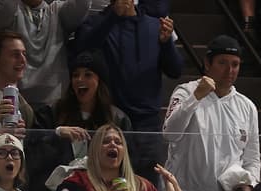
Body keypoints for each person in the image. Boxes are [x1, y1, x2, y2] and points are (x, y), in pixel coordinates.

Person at [163, 35, 260, 191]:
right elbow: (170, 133)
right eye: (223, 63)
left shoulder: (247, 106)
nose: (230, 70)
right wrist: (197, 96)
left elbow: (252, 158)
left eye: (235, 64)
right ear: (207, 63)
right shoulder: (185, 91)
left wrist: (249, 185)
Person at [75, 0, 182, 161]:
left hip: (148, 125)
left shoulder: (154, 25)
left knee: (147, 185)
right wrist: (113, 17)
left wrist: (166, 44)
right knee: (107, 183)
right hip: (110, 120)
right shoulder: (96, 22)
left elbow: (175, 71)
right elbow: (83, 50)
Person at [0, 0, 95, 109]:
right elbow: (6, 7)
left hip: (54, 103)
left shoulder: (59, 11)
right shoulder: (4, 9)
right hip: (14, 100)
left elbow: (82, 4)